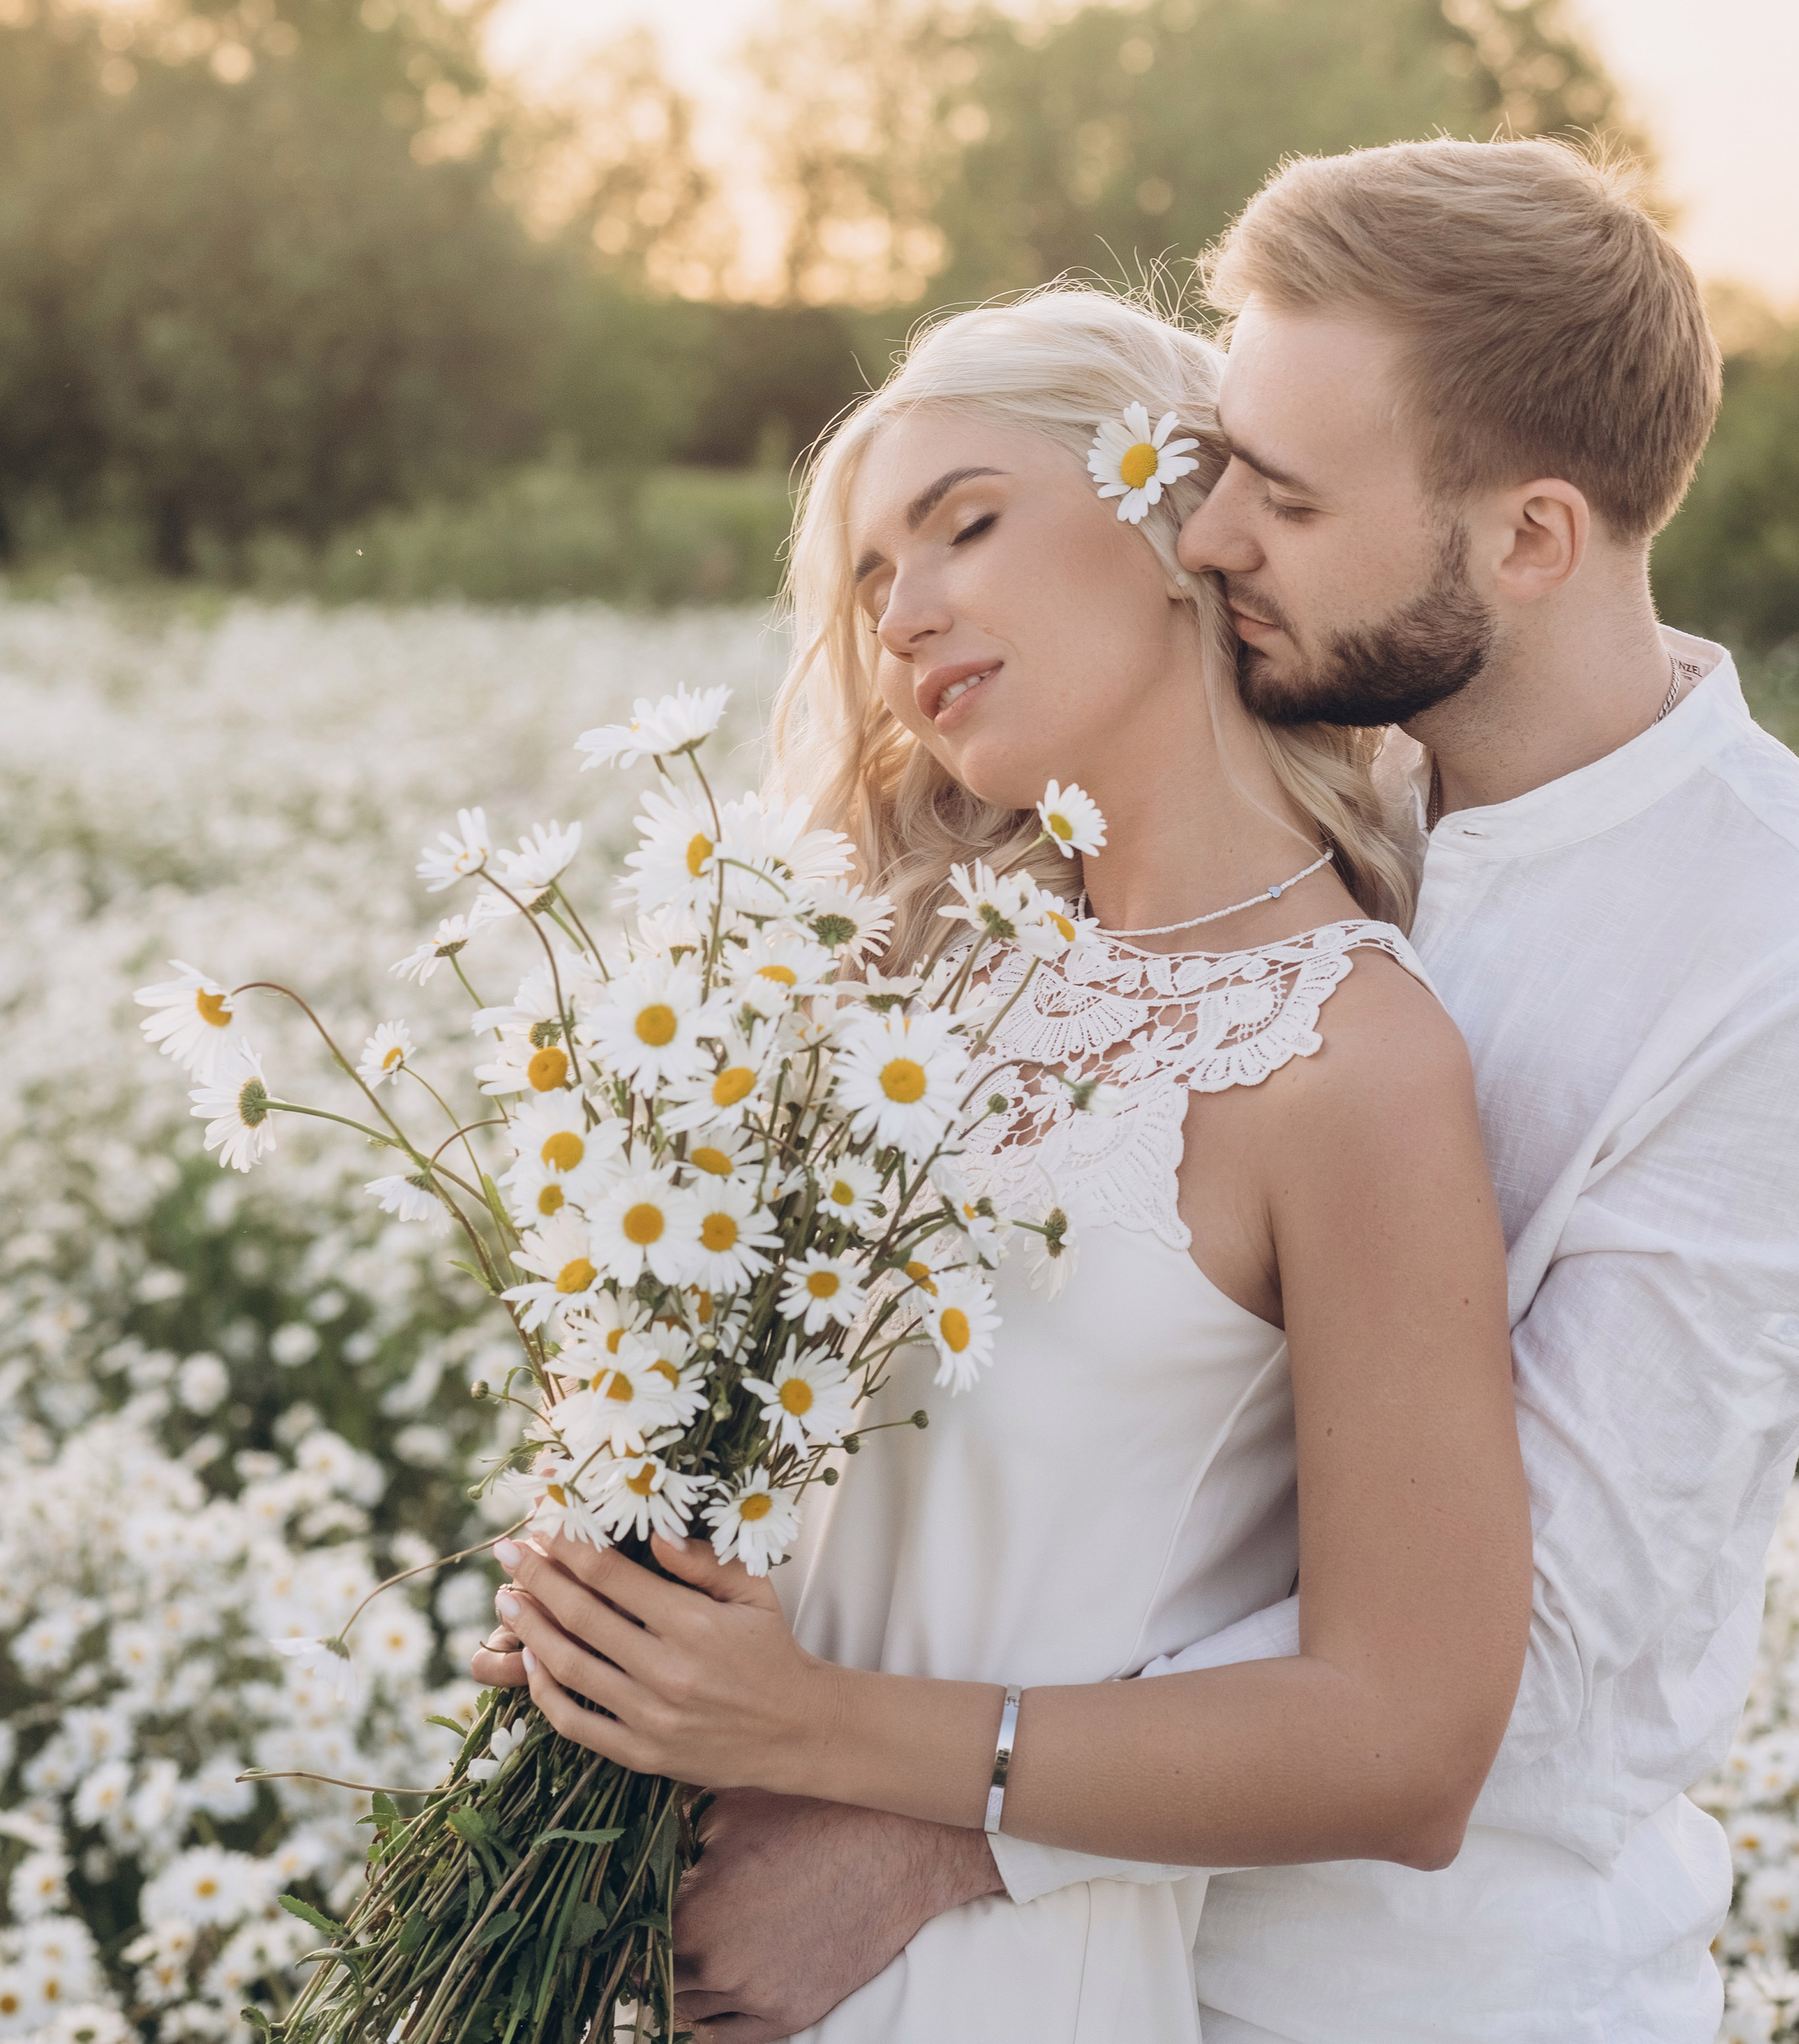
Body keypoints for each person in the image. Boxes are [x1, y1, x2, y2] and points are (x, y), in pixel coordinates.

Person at [580, 135, 1799, 2044]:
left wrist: (913, 1825)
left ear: (1533, 540)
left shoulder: (1763, 958)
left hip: (1413, 1995)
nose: (1210, 532)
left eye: (1281, 499)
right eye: (1213, 466)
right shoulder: (1247, 806)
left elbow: (1529, 1650)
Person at [470, 287, 1533, 2041]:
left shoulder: (1347, 1061)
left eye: (963, 525)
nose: (907, 616)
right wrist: (614, 1607)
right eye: (873, 579)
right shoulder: (913, 998)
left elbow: (1404, 1744)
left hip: (992, 1994)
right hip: (673, 1949)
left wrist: (799, 1732)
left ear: (1174, 518)